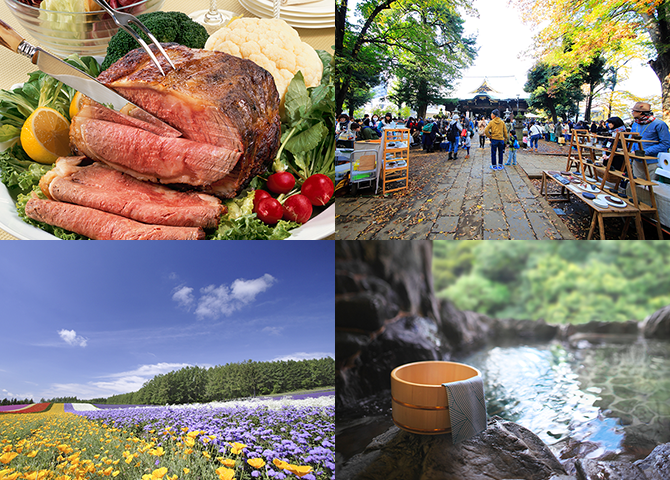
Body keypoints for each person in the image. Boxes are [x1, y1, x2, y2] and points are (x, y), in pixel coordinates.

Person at [629, 101, 670, 180]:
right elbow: (632, 140)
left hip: (652, 161)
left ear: (640, 112)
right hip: (637, 160)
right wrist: (631, 153)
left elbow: (665, 143)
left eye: (633, 111)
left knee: (651, 187)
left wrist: (645, 151)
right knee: (637, 185)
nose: (632, 113)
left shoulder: (659, 124)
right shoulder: (635, 124)